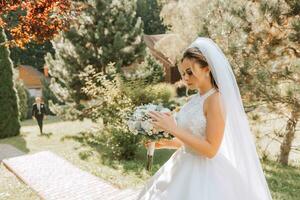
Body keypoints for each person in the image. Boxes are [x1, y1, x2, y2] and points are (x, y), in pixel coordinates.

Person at [137, 37, 273, 200]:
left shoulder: (215, 100)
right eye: (183, 73)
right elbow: (192, 141)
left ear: (207, 68)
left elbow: (210, 149)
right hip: (182, 165)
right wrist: (167, 143)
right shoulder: (196, 99)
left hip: (205, 175)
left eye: (190, 72)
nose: (185, 78)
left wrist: (173, 128)